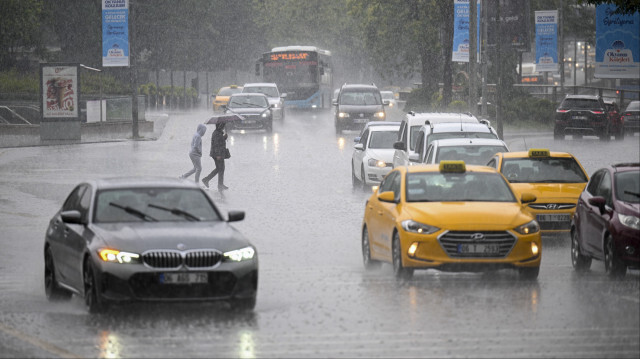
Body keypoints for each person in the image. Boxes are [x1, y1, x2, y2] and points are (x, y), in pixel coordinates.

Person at [202, 122, 229, 191]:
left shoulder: (218, 132)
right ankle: (212, 182)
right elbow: (216, 145)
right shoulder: (217, 133)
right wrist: (218, 155)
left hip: (218, 153)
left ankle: (218, 183)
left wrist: (224, 138)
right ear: (220, 126)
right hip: (217, 154)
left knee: (219, 168)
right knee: (220, 168)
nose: (223, 127)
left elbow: (220, 141)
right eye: (223, 125)